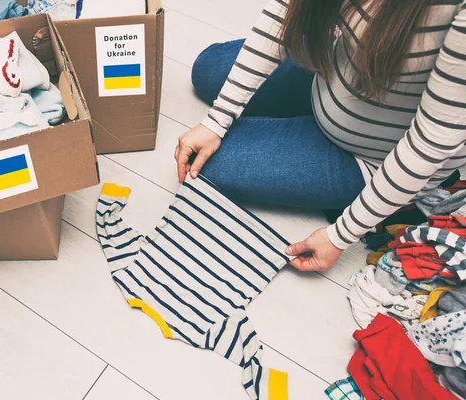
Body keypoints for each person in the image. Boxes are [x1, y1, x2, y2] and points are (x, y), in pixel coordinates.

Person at [174, 0, 466, 272]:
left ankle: (383, 198)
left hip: (374, 157)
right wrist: (217, 118)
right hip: (333, 74)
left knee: (211, 165)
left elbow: (431, 141)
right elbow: (284, 12)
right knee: (208, 69)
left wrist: (341, 235)